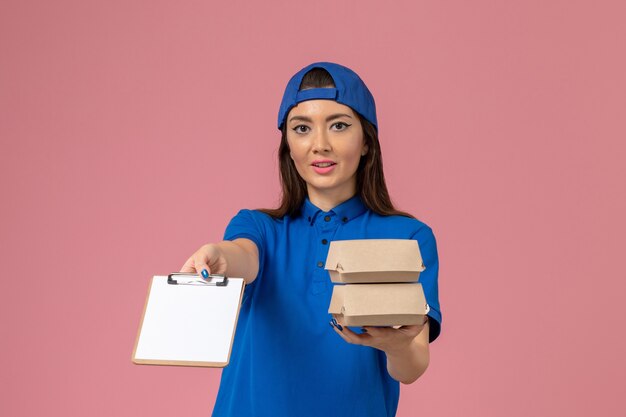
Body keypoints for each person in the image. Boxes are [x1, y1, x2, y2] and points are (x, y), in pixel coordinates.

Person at [180, 62, 442, 417]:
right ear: (288, 144)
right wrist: (219, 256)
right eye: (302, 128)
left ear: (366, 141)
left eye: (338, 125)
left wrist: (395, 346)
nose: (320, 145)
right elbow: (243, 254)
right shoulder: (260, 228)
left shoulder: (409, 238)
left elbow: (412, 366)